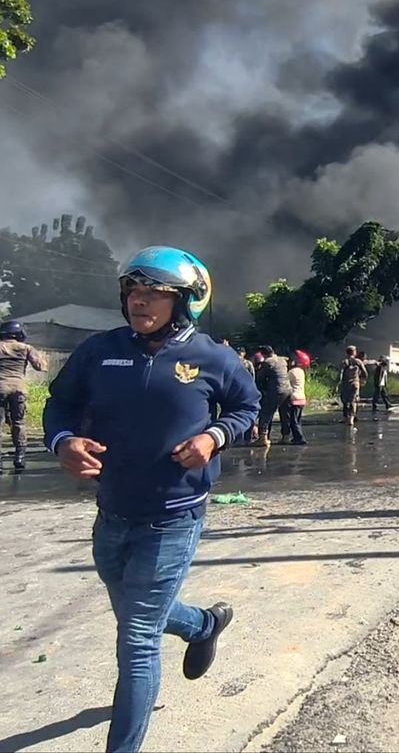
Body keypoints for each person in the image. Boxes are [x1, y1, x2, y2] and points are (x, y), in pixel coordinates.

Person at [43, 246, 259, 753]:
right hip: (112, 512)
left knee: (137, 639)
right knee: (139, 612)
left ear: (185, 301)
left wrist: (214, 438)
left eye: (154, 294)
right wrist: (64, 441)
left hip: (174, 518)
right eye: (133, 292)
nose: (139, 302)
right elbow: (61, 404)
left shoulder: (213, 356)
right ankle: (204, 624)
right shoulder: (100, 351)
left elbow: (247, 405)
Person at [0, 320, 47, 470]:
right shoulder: (26, 348)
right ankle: (19, 457)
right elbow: (41, 367)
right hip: (19, 389)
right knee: (19, 422)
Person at [253, 345, 292, 446]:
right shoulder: (282, 360)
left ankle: (263, 438)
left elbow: (260, 377)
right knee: (284, 414)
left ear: (264, 354)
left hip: (276, 390)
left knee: (266, 413)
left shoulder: (268, 362)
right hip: (287, 390)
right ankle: (286, 436)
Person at [336, 346, 368, 427]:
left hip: (346, 384)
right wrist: (363, 381)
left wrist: (336, 385)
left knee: (345, 401)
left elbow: (340, 374)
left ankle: (345, 417)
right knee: (353, 401)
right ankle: (351, 419)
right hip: (355, 383)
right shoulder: (358, 361)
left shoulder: (344, 362)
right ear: (354, 352)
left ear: (347, 352)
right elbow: (365, 373)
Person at [284, 350, 310, 446]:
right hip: (302, 398)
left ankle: (300, 438)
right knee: (298, 420)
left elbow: (285, 382)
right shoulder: (301, 371)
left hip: (294, 398)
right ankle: (296, 437)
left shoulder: (291, 372)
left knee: (293, 420)